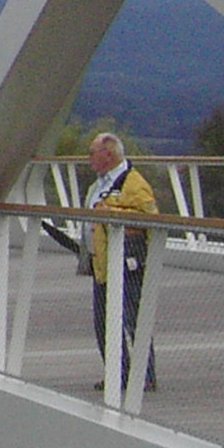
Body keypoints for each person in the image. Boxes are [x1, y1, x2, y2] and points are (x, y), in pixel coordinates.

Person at [79, 131, 159, 392]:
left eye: (93, 152)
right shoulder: (98, 184)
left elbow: (149, 218)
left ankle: (145, 375)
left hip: (127, 262)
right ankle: (118, 372)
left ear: (109, 154)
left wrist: (111, 212)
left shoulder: (133, 183)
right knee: (103, 321)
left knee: (133, 318)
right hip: (101, 264)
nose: (89, 158)